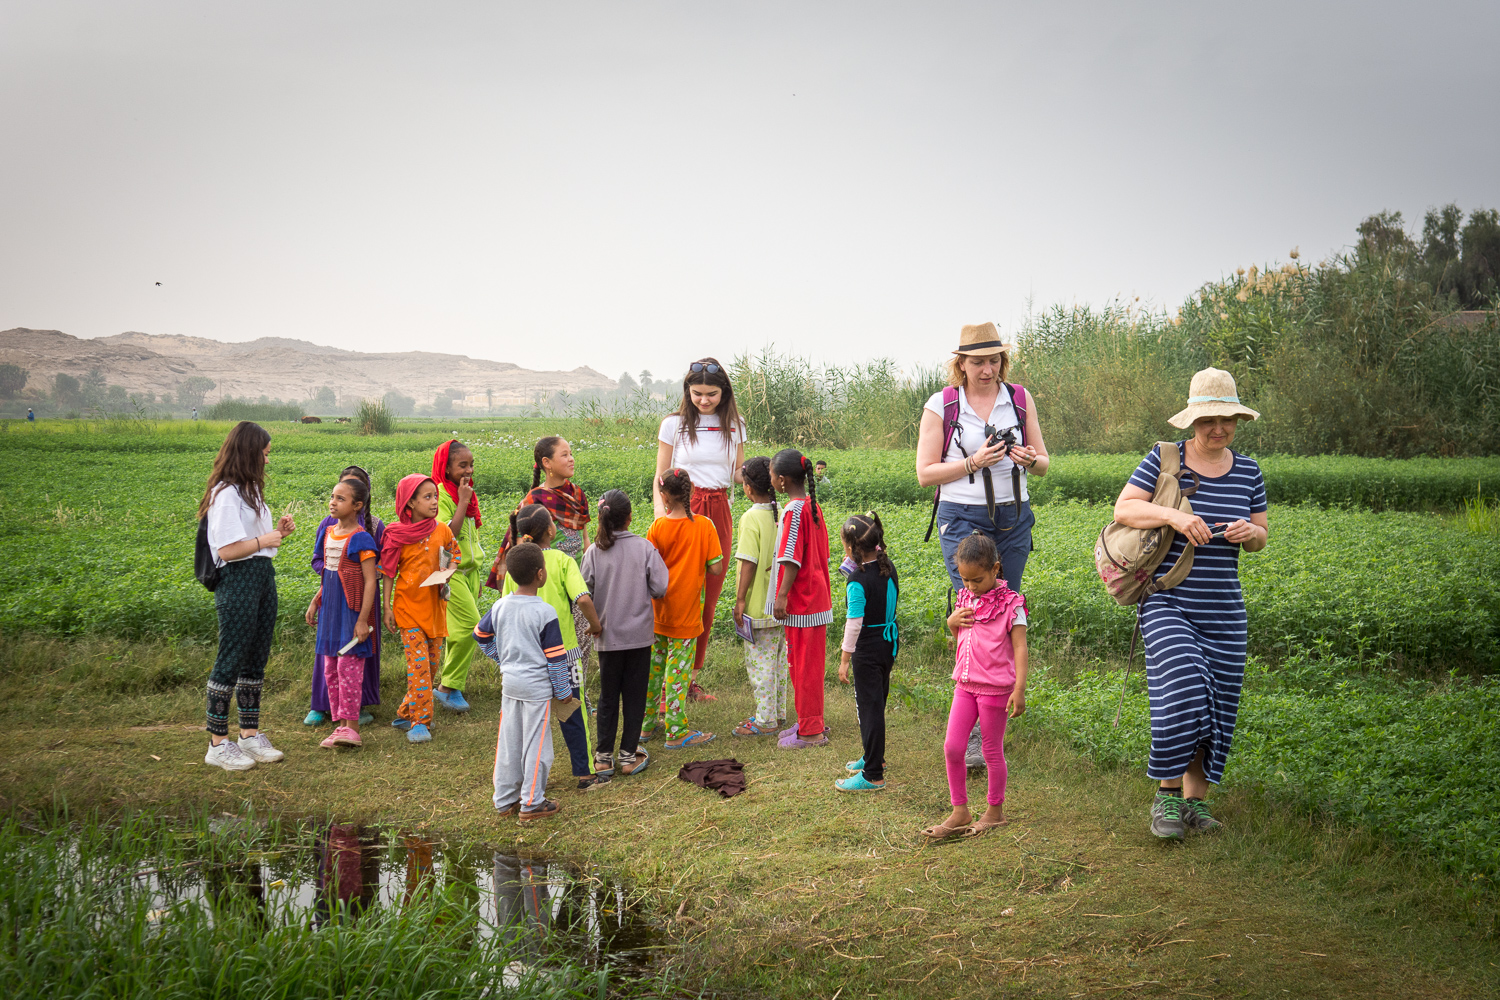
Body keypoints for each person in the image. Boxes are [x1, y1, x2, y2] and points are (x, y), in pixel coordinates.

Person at [1112, 367, 1268, 840]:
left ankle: (1195, 804)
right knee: (1181, 690)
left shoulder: (1249, 471)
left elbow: (1262, 534)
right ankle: (1166, 798)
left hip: (1224, 609)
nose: (1217, 429)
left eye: (1226, 420)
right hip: (1167, 599)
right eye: (1208, 420)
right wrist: (1177, 517)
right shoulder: (1165, 459)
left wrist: (1250, 534)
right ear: (1192, 421)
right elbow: (1124, 509)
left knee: (1217, 704)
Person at [915, 322, 1049, 769]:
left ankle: (993, 716)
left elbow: (1045, 464)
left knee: (1004, 610)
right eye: (978, 361)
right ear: (961, 363)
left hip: (1013, 518)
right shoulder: (942, 404)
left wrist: (1030, 459)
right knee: (973, 612)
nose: (987, 369)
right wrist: (973, 461)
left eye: (994, 360)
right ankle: (970, 730)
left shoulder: (1020, 398)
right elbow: (925, 473)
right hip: (962, 518)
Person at [198, 420, 295, 771]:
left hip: (260, 576)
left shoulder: (247, 492)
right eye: (265, 454)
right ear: (250, 453)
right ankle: (217, 743)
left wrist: (274, 533)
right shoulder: (225, 494)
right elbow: (226, 548)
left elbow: (251, 543)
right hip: (237, 579)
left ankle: (249, 735)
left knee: (256, 656)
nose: (268, 461)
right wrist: (264, 541)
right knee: (232, 656)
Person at [922, 533, 1029, 839]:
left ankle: (994, 811)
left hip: (995, 689)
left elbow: (1020, 647)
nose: (970, 586)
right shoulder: (965, 597)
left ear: (996, 569)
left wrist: (1019, 689)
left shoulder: (1012, 604)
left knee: (991, 750)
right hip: (965, 684)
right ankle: (960, 810)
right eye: (964, 579)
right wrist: (950, 622)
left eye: (977, 580)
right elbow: (961, 637)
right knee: (953, 747)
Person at [654, 358, 746, 702]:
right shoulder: (673, 425)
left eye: (712, 394)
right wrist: (661, 515)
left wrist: (765, 475)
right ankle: (664, 679)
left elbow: (737, 473)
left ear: (724, 393)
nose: (704, 400)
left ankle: (687, 679)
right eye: (697, 394)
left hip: (718, 510)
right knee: (677, 593)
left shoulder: (735, 425)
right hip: (681, 509)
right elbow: (660, 477)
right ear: (687, 391)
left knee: (707, 596)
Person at [502, 505, 607, 790]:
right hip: (566, 655)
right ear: (551, 529)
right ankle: (586, 775)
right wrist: (595, 625)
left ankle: (527, 779)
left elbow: (506, 607)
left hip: (528, 656)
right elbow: (583, 599)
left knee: (532, 721)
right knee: (572, 710)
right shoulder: (562, 560)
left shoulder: (516, 563)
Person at [479, 541, 580, 822]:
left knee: (509, 742)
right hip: (537, 689)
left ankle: (504, 800)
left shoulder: (500, 605)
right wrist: (563, 692)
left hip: (510, 684)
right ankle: (532, 803)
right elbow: (556, 659)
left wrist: (502, 659)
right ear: (540, 574)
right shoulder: (545, 612)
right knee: (537, 746)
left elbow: (480, 635)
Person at [581, 489, 669, 777]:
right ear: (630, 517)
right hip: (640, 638)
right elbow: (659, 588)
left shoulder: (593, 552)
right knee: (635, 697)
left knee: (608, 697)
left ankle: (604, 758)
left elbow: (584, 592)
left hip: (607, 639)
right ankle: (628, 756)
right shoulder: (645, 548)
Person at [493, 436, 596, 680]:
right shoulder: (534, 500)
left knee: (581, 638)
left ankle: (576, 692)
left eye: (571, 453)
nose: (571, 459)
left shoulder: (578, 495)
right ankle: (548, 686)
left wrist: (590, 569)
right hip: (546, 578)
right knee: (550, 638)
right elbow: (519, 544)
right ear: (547, 463)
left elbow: (585, 539)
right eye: (564, 454)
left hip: (574, 574)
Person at [645, 468, 725, 749]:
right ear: (690, 491)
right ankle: (676, 731)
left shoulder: (656, 528)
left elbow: (649, 568)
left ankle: (646, 725)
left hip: (658, 613)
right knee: (677, 672)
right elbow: (716, 567)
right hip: (687, 614)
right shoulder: (704, 526)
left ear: (664, 496)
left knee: (654, 670)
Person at [380, 474, 460, 744]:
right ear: (410, 502)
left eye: (435, 496)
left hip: (435, 609)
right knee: (419, 667)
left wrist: (449, 571)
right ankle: (420, 722)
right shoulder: (395, 534)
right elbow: (389, 572)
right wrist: (386, 607)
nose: (434, 501)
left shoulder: (443, 530)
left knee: (432, 665)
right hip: (407, 609)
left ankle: (405, 712)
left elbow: (453, 555)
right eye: (427, 497)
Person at [305, 466, 384, 727]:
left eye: (341, 497)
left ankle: (351, 716)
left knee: (351, 661)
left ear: (359, 502)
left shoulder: (368, 530)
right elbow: (324, 563)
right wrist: (319, 597)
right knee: (330, 662)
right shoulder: (328, 528)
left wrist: (351, 579)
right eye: (333, 495)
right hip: (331, 602)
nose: (333, 502)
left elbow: (374, 573)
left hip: (356, 603)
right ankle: (326, 707)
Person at [769, 449, 833, 750]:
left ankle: (811, 732)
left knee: (804, 668)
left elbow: (791, 558)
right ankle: (809, 720)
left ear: (781, 480)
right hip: (814, 599)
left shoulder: (794, 511)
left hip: (803, 601)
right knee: (806, 666)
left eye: (772, 475)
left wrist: (782, 596)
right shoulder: (813, 506)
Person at [835, 512, 899, 792]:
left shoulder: (856, 581)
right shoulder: (889, 567)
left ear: (852, 549)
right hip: (888, 643)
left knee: (870, 709)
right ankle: (874, 758)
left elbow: (854, 622)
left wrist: (845, 658)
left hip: (868, 648)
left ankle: (873, 774)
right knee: (877, 702)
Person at [730, 456, 785, 736]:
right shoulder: (782, 511)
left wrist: (740, 600)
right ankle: (778, 712)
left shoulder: (751, 516)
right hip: (780, 604)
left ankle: (765, 720)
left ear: (749, 488)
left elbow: (748, 562)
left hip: (757, 605)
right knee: (777, 661)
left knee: (760, 665)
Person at [432, 440, 484, 713]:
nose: (468, 470)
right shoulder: (441, 494)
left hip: (469, 571)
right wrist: (462, 502)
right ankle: (446, 687)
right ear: (447, 467)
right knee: (472, 627)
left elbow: (471, 535)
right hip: (451, 572)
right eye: (462, 465)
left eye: (471, 464)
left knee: (458, 632)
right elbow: (446, 535)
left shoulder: (466, 493)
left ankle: (451, 687)